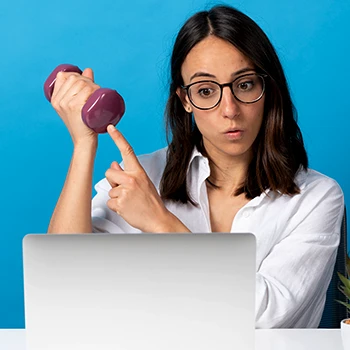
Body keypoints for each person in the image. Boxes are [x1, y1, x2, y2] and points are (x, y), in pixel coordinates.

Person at [47, 5, 344, 328]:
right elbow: (61, 286)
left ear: (267, 88)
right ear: (185, 99)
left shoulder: (317, 197)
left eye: (244, 85)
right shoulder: (142, 179)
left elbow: (265, 320)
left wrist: (161, 224)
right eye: (205, 91)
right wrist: (84, 143)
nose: (230, 110)